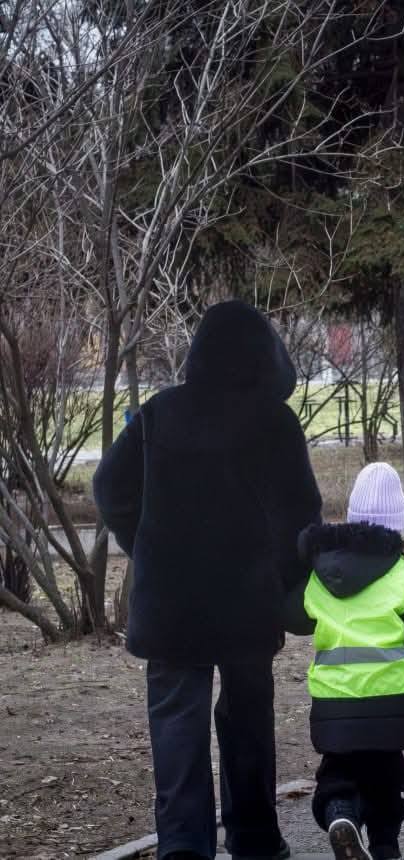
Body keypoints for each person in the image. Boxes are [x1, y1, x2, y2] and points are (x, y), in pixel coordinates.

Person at [93, 301, 321, 860]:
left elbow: (108, 489)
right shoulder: (273, 420)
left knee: (176, 723)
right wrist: (282, 576)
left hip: (170, 604)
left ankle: (182, 846)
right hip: (246, 602)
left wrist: (144, 542)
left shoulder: (159, 413)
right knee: (247, 721)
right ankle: (254, 838)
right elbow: (301, 514)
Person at [285, 463, 404, 860]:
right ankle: (386, 846)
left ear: (352, 515)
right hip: (394, 698)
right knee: (387, 772)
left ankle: (341, 813)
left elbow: (294, 618)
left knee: (338, 768)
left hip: (334, 698)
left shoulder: (320, 573)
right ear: (398, 523)